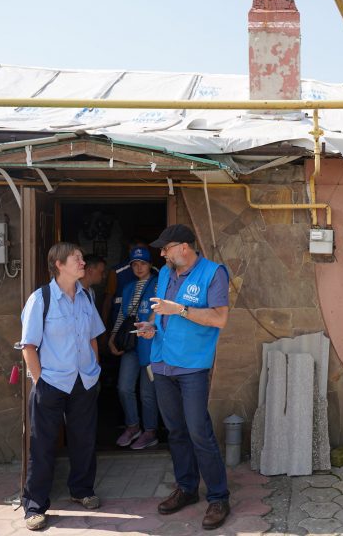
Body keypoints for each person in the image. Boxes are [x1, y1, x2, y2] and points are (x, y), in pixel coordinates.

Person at [136, 224, 231, 530]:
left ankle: (218, 497)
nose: (161, 253)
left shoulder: (214, 273)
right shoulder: (165, 273)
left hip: (192, 365)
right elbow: (158, 310)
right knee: (175, 431)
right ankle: (187, 488)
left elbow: (219, 318)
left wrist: (181, 310)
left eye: (166, 248)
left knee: (198, 431)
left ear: (185, 247)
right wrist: (151, 325)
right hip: (162, 362)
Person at [18, 242, 105, 531]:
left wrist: (94, 371)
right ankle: (35, 506)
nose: (83, 263)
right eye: (77, 258)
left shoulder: (87, 296)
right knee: (42, 445)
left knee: (84, 439)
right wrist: (39, 381)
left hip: (84, 380)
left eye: (82, 258)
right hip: (51, 382)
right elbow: (28, 346)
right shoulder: (40, 299)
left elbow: (93, 337)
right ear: (59, 264)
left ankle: (81, 490)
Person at [108, 246, 160, 450]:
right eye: (135, 264)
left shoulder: (158, 284)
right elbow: (123, 316)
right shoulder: (128, 287)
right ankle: (133, 426)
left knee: (148, 392)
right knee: (124, 387)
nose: (139, 268)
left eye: (143, 263)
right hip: (130, 343)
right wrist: (113, 338)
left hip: (150, 344)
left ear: (150, 265)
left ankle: (150, 431)